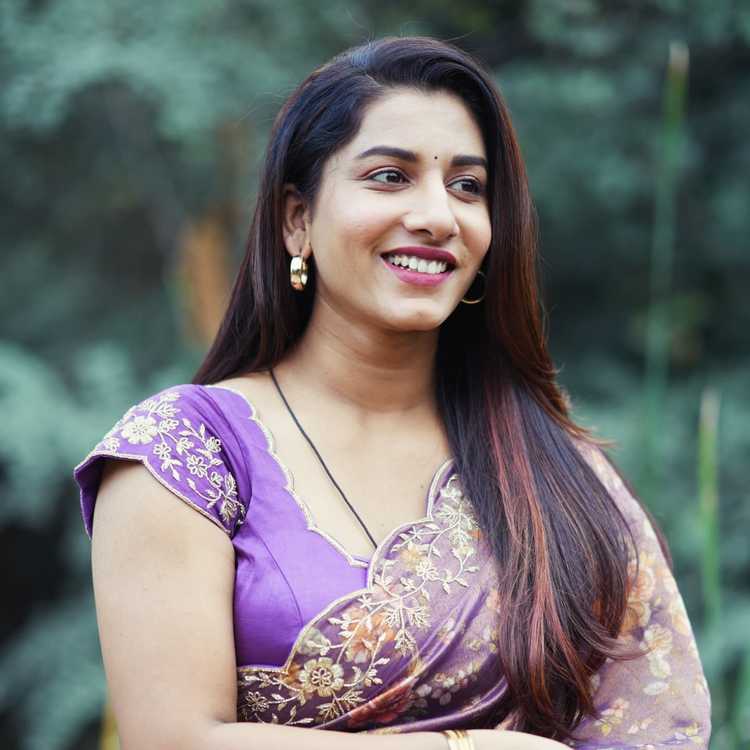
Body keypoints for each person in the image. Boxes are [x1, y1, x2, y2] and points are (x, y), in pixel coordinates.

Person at [73, 36, 711, 750]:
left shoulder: (556, 471)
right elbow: (172, 740)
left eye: (467, 186)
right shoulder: (186, 454)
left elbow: (655, 724)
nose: (438, 215)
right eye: (389, 176)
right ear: (297, 220)